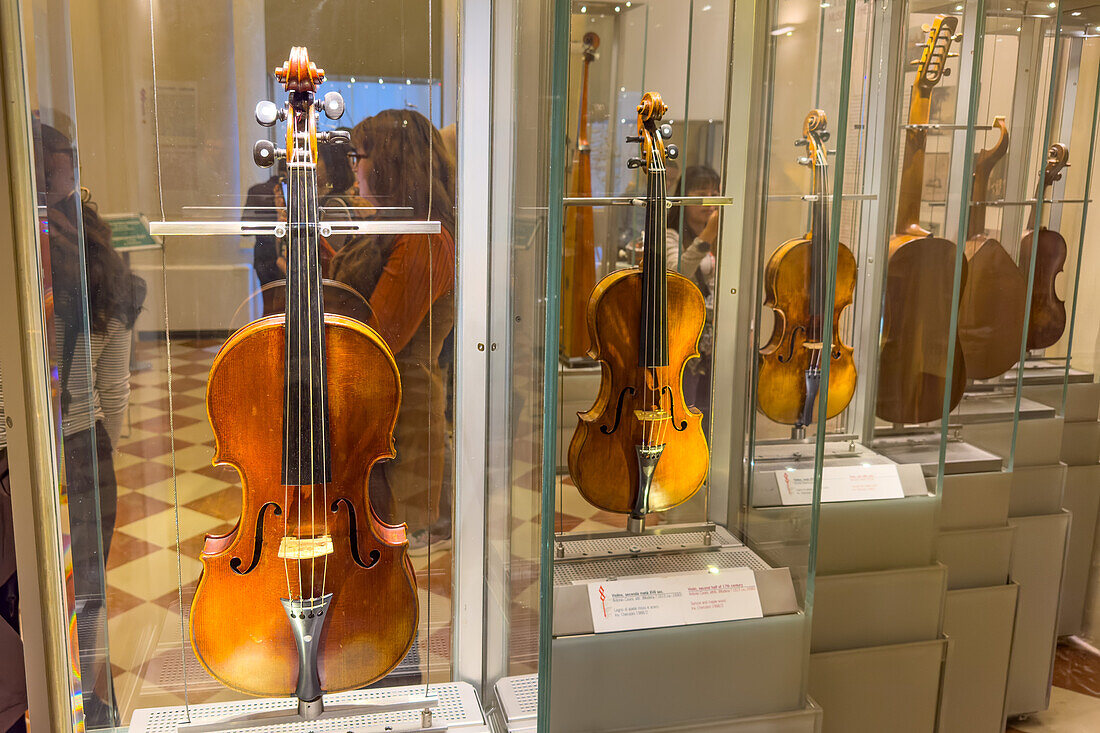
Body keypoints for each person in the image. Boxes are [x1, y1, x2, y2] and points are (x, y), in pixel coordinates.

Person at [40, 124, 142, 728]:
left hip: (49, 446)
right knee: (91, 590)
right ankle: (96, 704)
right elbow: (115, 385)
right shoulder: (98, 251)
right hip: (90, 442)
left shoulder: (40, 252)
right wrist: (105, 441)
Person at [330, 110, 455, 551]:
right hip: (385, 407)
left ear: (386, 164)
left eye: (358, 156)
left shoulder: (423, 237)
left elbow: (378, 337)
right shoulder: (400, 225)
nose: (353, 167)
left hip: (402, 416)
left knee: (398, 556)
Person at [665, 165, 721, 433]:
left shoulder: (727, 236)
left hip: (718, 337)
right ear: (683, 199)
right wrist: (707, 236)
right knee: (686, 405)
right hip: (685, 334)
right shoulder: (670, 235)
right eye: (700, 193)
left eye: (714, 193)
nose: (708, 201)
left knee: (713, 409)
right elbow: (677, 274)